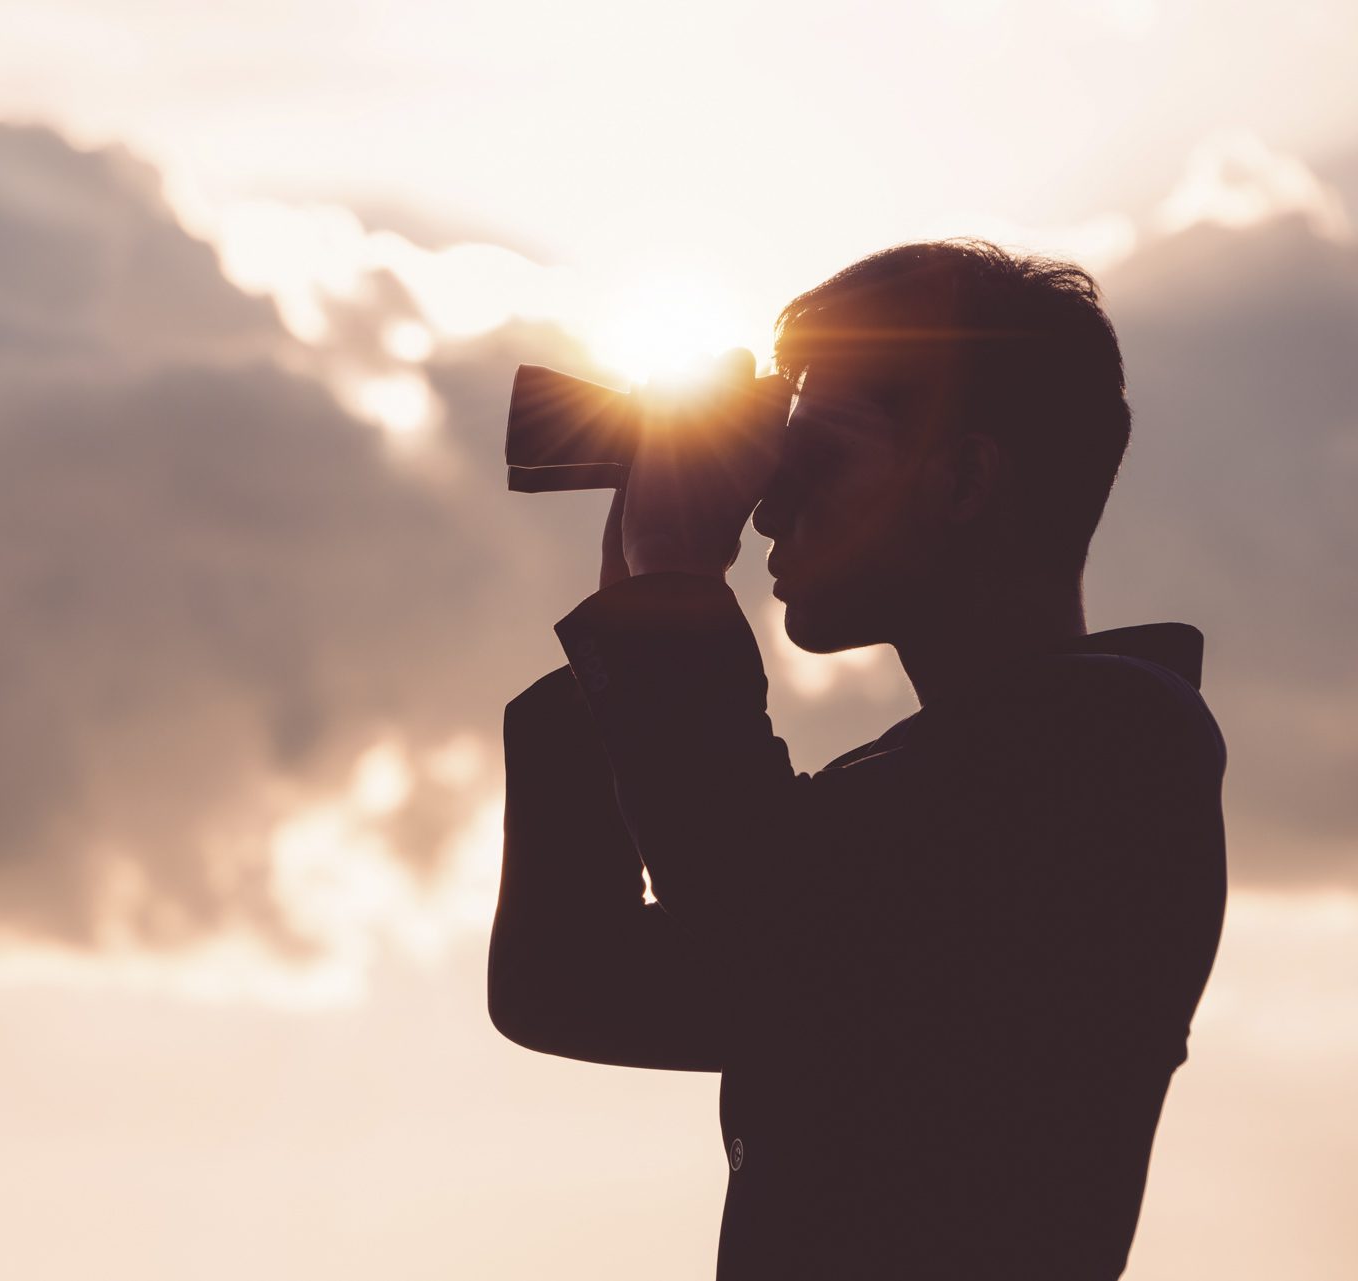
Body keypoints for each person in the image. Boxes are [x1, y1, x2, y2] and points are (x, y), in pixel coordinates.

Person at [487, 239, 1228, 1280]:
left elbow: (755, 912)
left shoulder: (1119, 749)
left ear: (964, 476)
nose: (769, 508)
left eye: (815, 462)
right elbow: (567, 979)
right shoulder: (915, 797)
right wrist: (636, 593)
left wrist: (674, 580)